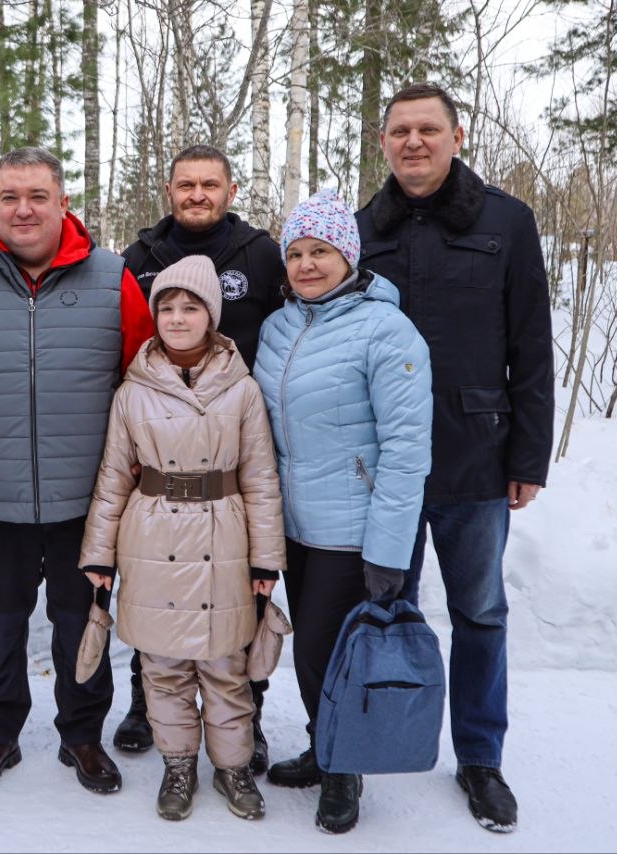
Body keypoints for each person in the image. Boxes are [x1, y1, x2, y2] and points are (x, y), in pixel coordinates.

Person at [0, 147, 153, 795]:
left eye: (38, 196)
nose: (24, 209)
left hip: (88, 499)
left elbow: (143, 376)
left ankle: (82, 736)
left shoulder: (112, 278)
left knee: (83, 622)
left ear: (63, 202)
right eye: (10, 197)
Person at [355, 82, 554, 833]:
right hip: (384, 468)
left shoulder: (506, 222)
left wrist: (528, 455)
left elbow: (531, 345)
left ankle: (479, 756)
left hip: (476, 454)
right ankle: (375, 741)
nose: (414, 142)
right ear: (383, 142)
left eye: (428, 129)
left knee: (480, 612)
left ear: (457, 136)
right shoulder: (361, 229)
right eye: (400, 130)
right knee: (382, 612)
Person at [78, 255, 285, 822]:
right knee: (163, 669)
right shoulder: (133, 390)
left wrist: (266, 560)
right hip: (152, 538)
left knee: (225, 666)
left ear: (211, 315)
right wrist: (99, 555)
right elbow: (113, 477)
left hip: (224, 537)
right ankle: (178, 764)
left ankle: (233, 766)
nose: (176, 318)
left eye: (190, 307)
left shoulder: (241, 389)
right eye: (166, 307)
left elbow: (261, 478)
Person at [254, 189, 432, 833]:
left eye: (321, 251)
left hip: (353, 531)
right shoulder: (278, 327)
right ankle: (325, 744)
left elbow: (407, 451)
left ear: (349, 256)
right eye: (296, 253)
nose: (306, 264)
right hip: (296, 526)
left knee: (333, 654)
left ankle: (344, 769)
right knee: (312, 654)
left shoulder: (386, 330)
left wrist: (388, 549)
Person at [117, 144, 286, 766]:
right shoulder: (139, 258)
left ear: (230, 191)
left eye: (209, 184)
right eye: (185, 184)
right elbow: (125, 342)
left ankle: (247, 715)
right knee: (157, 582)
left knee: (234, 591)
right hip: (160, 438)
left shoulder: (260, 254)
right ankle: (147, 702)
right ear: (169, 190)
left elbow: (286, 333)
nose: (196, 194)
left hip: (236, 437)